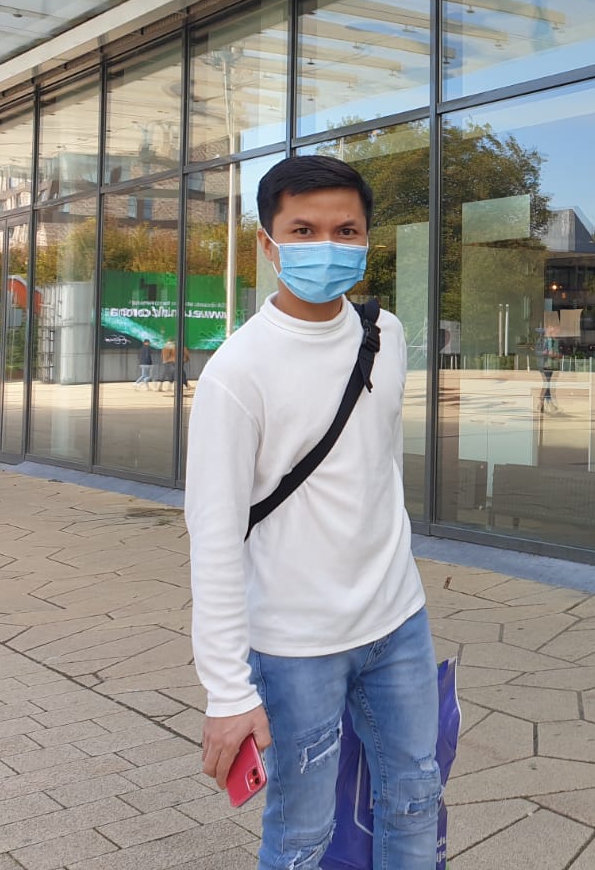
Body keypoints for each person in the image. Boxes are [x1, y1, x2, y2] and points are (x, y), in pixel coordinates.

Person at [184, 155, 439, 869]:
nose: (326, 246)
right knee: (302, 835)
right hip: (295, 647)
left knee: (416, 799)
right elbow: (213, 537)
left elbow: (377, 468)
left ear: (366, 240)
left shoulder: (385, 336)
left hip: (398, 623)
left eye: (344, 231)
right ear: (268, 244)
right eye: (303, 230)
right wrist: (227, 691)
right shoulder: (237, 374)